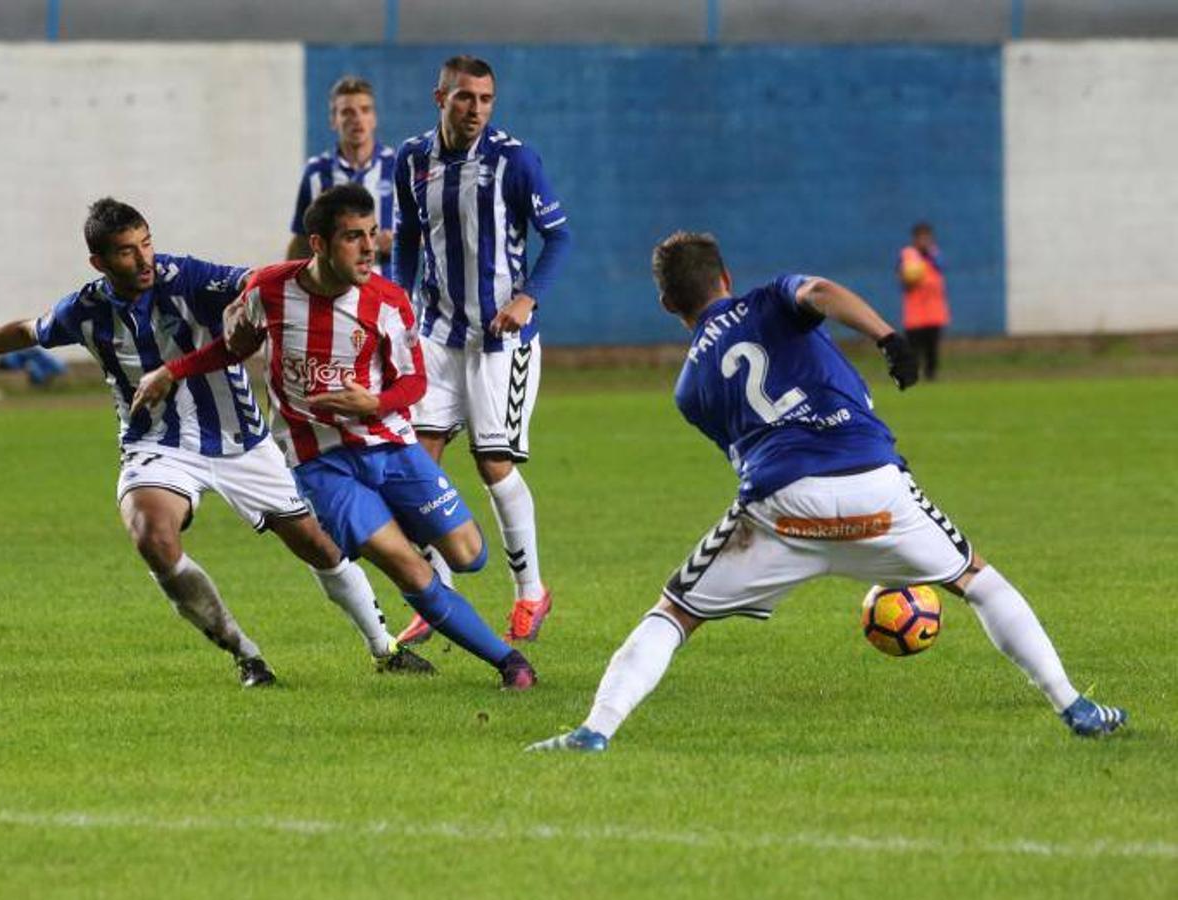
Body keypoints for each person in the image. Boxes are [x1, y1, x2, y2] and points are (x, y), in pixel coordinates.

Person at [527, 231, 1127, 752]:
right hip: (875, 488)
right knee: (977, 580)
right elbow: (819, 293)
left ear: (666, 303)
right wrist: (888, 337)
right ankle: (1074, 706)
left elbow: (753, 447)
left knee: (675, 613)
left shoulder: (688, 388)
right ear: (727, 278)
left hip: (782, 510)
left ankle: (594, 731)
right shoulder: (769, 298)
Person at [0, 197, 431, 687]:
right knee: (152, 534)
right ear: (99, 262)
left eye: (146, 243)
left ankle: (384, 649)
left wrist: (312, 278)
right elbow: (27, 330)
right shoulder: (86, 308)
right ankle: (246, 655)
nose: (143, 259)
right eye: (126, 251)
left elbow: (264, 280)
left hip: (241, 439)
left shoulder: (189, 278)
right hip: (157, 445)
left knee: (316, 543)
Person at [131, 184, 537, 690]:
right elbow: (232, 348)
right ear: (318, 244)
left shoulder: (387, 302)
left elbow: (412, 383)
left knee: (468, 555)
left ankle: (399, 519)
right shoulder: (269, 290)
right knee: (408, 571)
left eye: (371, 235)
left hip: (393, 449)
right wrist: (173, 370)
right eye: (353, 237)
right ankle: (510, 664)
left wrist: (376, 403)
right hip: (321, 467)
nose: (370, 249)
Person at [391, 54, 572, 646]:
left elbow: (560, 238)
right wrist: (398, 308)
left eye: (486, 100)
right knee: (419, 465)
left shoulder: (514, 161)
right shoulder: (412, 160)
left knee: (493, 465)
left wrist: (527, 300)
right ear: (438, 97)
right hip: (437, 336)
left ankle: (531, 592)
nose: (476, 110)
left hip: (501, 343)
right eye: (465, 97)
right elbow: (410, 241)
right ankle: (439, 597)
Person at [287, 76, 396, 271]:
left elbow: (428, 228)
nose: (357, 119)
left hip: (387, 290)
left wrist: (401, 240)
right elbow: (301, 240)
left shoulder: (398, 167)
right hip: (332, 294)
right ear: (333, 120)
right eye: (347, 112)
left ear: (374, 119)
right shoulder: (316, 172)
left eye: (365, 110)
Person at [899, 221, 949, 381]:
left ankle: (931, 376)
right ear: (915, 239)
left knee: (932, 349)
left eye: (927, 238)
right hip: (915, 313)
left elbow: (942, 267)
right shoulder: (908, 255)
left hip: (935, 311)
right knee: (913, 348)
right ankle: (914, 376)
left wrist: (930, 256)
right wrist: (909, 277)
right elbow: (902, 280)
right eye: (921, 238)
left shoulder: (935, 255)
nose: (924, 241)